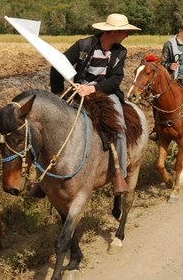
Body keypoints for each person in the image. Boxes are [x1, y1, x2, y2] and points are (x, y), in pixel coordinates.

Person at [50, 13, 141, 195]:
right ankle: (45, 179)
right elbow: (57, 65)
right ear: (114, 32)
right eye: (125, 32)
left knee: (120, 128)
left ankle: (119, 174)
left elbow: (115, 80)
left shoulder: (120, 52)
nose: (127, 35)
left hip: (106, 94)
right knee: (53, 124)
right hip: (77, 90)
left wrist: (93, 89)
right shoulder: (83, 45)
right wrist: (58, 91)